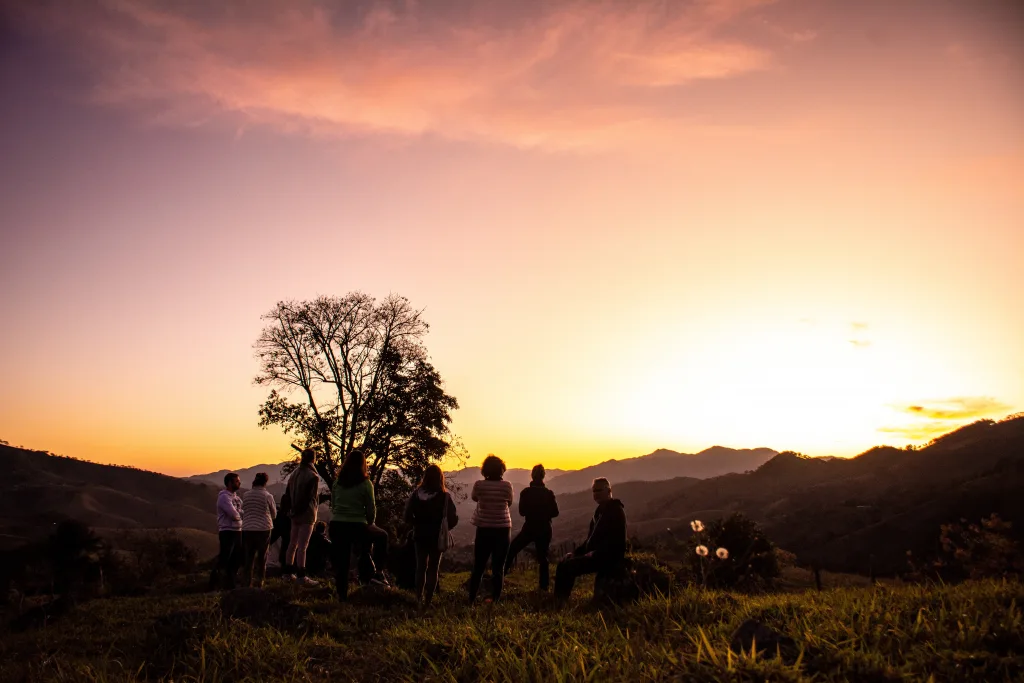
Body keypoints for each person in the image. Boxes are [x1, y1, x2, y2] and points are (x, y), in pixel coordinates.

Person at [329, 447, 389, 601]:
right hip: (357, 526)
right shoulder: (365, 483)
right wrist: (370, 523)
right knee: (382, 536)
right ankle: (378, 572)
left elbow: (333, 504)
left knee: (342, 562)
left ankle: (342, 596)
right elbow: (371, 508)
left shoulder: (337, 483)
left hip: (336, 525)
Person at [554, 477, 627, 602]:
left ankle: (560, 601)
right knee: (563, 563)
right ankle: (558, 599)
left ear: (608, 490)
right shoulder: (599, 512)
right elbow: (590, 540)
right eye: (594, 491)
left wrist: (595, 553)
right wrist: (575, 553)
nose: (596, 494)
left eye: (599, 490)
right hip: (596, 554)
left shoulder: (616, 511)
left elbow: (617, 542)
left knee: (569, 567)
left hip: (608, 557)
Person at [404, 464, 458, 606]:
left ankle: (418, 597)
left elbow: (407, 516)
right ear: (440, 478)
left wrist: (416, 524)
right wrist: (444, 529)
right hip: (436, 537)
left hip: (420, 535)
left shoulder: (416, 494)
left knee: (420, 567)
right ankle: (428, 600)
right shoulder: (444, 497)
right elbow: (453, 518)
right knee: (433, 568)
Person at [504, 464, 559, 591]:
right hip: (545, 527)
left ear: (532, 475)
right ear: (543, 476)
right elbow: (555, 513)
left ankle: (501, 577)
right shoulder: (549, 493)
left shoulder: (525, 492)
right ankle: (544, 587)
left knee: (512, 550)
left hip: (529, 527)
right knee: (543, 557)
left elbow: (522, 512)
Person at [467, 455, 514, 604]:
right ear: (502, 469)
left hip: (484, 529)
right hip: (503, 529)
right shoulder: (507, 485)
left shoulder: (479, 485)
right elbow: (510, 502)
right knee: (498, 568)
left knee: (479, 566)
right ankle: (496, 599)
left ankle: (471, 599)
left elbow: (474, 498)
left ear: (485, 469)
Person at [285, 448, 322, 586]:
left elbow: (288, 493)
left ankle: (288, 572)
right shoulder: (313, 476)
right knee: (303, 546)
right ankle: (301, 575)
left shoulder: (294, 474)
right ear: (313, 458)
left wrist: (291, 510)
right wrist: (299, 510)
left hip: (294, 513)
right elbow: (308, 498)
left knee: (292, 543)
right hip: (306, 514)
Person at [240, 472, 277, 588]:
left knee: (249, 557)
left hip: (247, 528)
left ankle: (246, 582)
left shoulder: (246, 495)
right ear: (265, 482)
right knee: (262, 557)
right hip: (263, 529)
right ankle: (259, 582)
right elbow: (274, 514)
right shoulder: (268, 496)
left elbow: (243, 510)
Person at [209, 472, 243, 590]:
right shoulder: (223, 497)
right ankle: (213, 584)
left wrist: (239, 514)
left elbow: (239, 512)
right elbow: (233, 514)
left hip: (238, 530)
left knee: (236, 559)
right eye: (237, 481)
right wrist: (240, 514)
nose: (239, 483)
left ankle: (230, 584)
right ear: (230, 483)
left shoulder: (237, 498)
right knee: (225, 558)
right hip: (227, 531)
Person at [269, 488, 292, 575]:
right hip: (287, 522)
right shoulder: (292, 497)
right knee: (286, 544)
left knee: (283, 544)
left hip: (280, 519)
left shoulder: (280, 515)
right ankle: (285, 566)